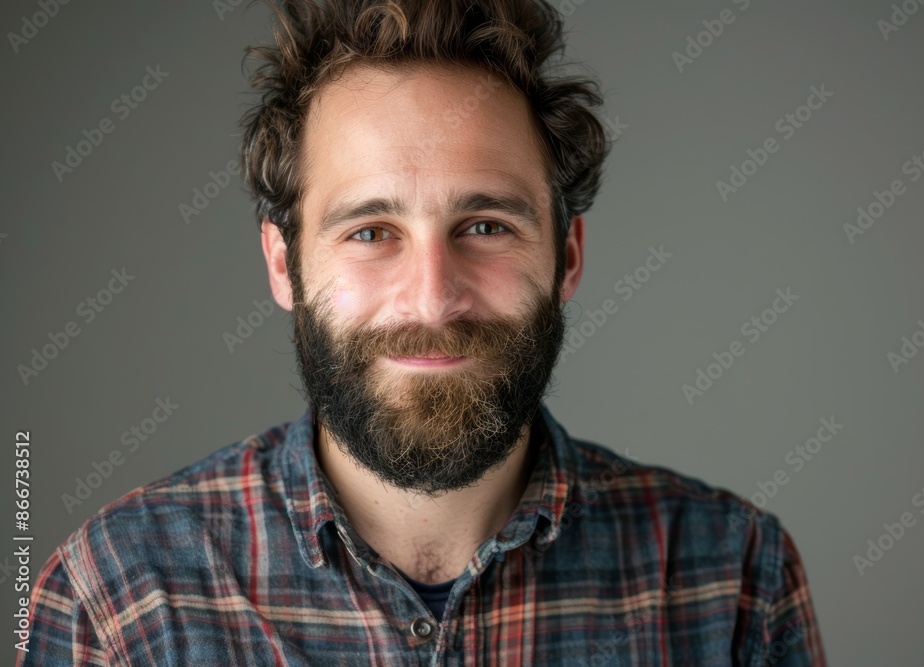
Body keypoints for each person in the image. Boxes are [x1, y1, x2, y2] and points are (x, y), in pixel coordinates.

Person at [18, 0, 827, 664]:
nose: (433, 300)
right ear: (282, 264)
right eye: (370, 231)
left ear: (567, 254)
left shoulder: (733, 586)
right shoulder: (118, 602)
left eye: (484, 226)